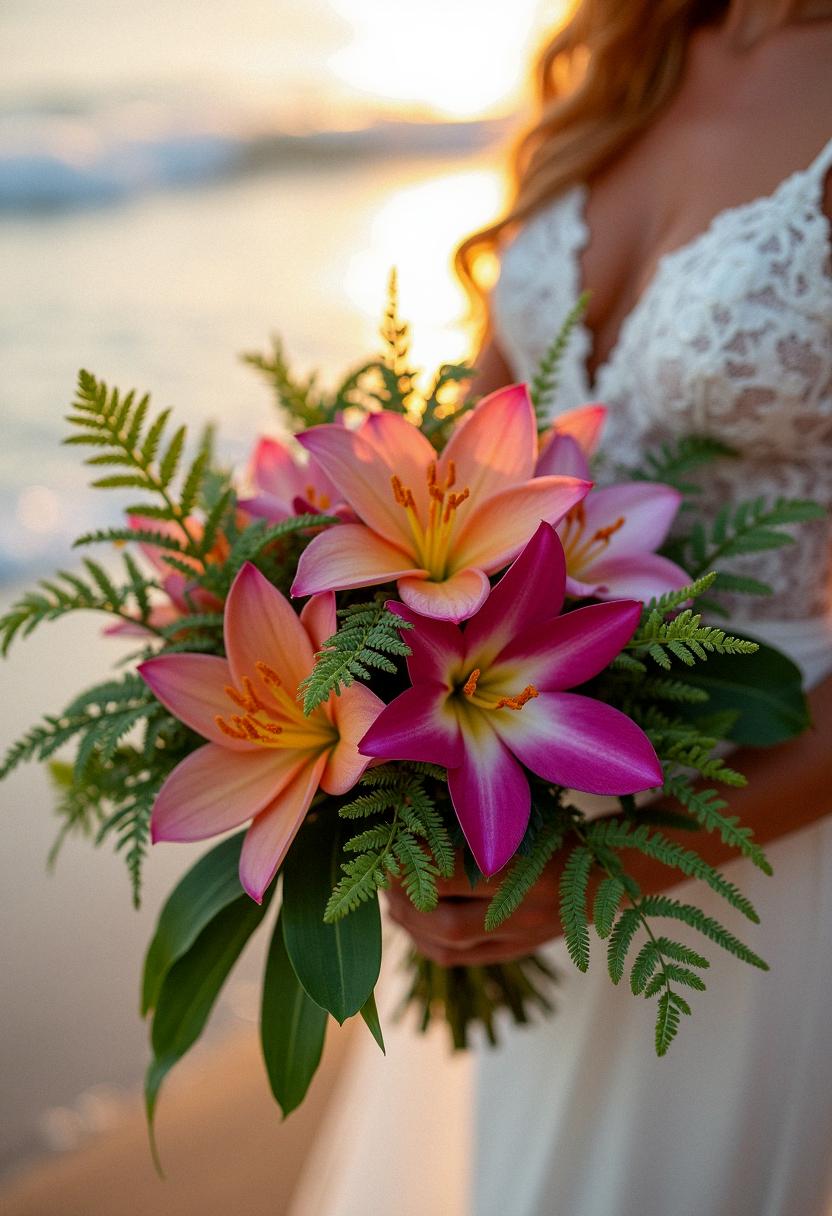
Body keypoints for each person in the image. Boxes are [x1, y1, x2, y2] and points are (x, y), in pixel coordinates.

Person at [290, 3, 832, 1213]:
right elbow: (470, 461)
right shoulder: (628, 51)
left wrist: (605, 869)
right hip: (509, 781)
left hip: (745, 820)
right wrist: (369, 749)